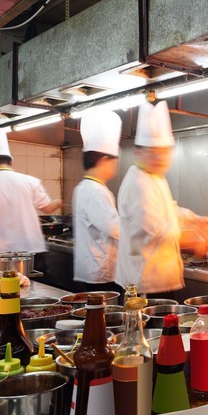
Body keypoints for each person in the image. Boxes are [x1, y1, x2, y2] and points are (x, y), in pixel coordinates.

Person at [115, 101, 208, 297]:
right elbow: (155, 232)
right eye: (154, 153)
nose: (160, 159)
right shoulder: (139, 183)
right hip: (144, 286)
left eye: (165, 152)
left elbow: (169, 210)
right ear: (138, 152)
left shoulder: (155, 178)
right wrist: (195, 240)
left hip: (160, 281)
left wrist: (195, 219)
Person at [72, 110, 123, 293]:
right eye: (114, 161)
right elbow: (115, 228)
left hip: (92, 269)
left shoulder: (83, 187)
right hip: (99, 272)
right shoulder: (95, 191)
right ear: (104, 160)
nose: (115, 166)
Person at [0, 128, 63, 255]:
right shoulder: (30, 181)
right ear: (11, 162)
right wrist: (59, 202)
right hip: (29, 250)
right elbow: (48, 208)